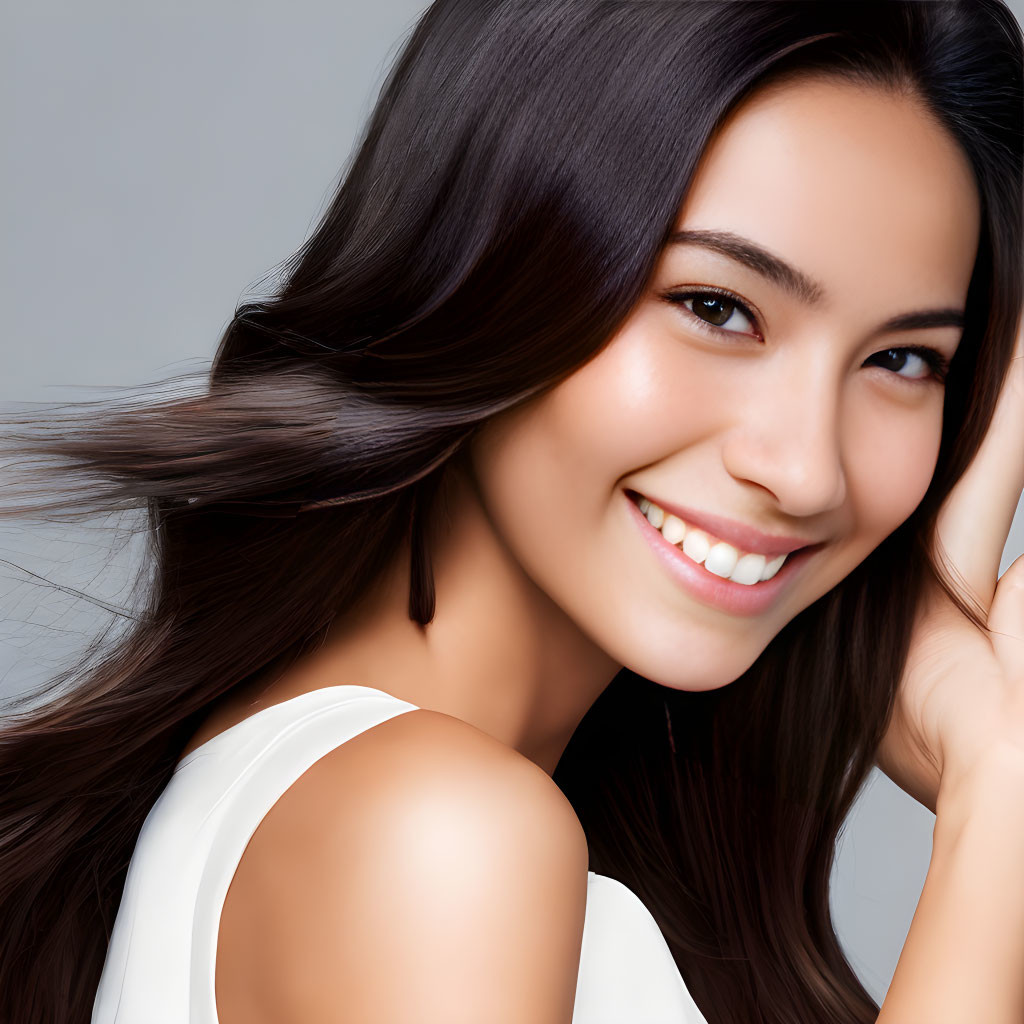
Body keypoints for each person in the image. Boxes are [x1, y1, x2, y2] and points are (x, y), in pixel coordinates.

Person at [0, 1, 1022, 1021]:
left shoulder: (361, 797)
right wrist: (999, 792)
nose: (806, 471)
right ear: (496, 268)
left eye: (901, 360)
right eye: (715, 307)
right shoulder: (437, 833)